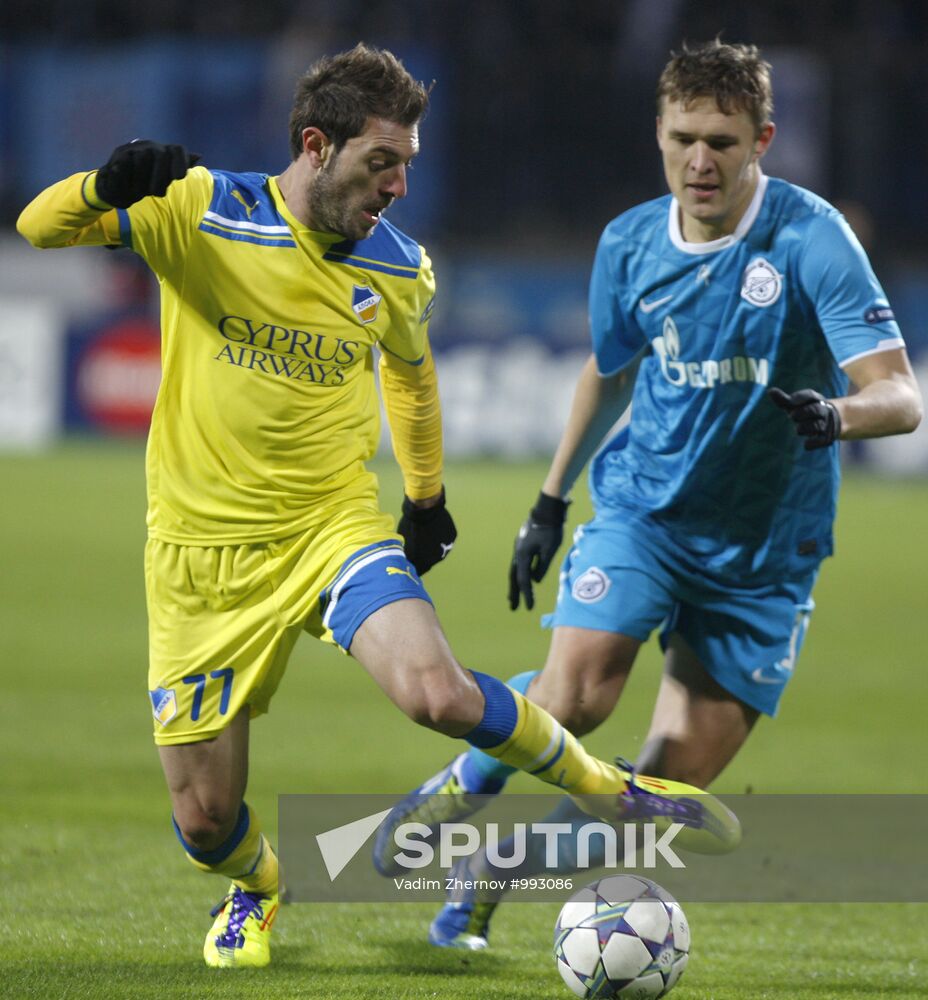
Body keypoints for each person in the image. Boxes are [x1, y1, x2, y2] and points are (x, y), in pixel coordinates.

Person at [16, 43, 737, 971]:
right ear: (316, 146)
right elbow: (40, 227)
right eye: (380, 163)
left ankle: (610, 787)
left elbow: (410, 371)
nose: (398, 185)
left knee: (435, 692)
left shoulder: (396, 265)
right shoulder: (201, 212)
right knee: (204, 821)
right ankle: (261, 885)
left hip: (331, 530)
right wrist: (104, 185)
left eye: (408, 164)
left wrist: (425, 497)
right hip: (197, 560)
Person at [373, 39, 923, 949]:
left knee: (657, 795)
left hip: (765, 554)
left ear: (763, 140)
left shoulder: (812, 238)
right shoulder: (630, 242)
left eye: (723, 141)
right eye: (682, 139)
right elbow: (609, 370)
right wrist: (550, 502)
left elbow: (900, 394)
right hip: (648, 514)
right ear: (658, 133)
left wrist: (836, 414)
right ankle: (461, 787)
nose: (699, 162)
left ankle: (488, 877)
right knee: (576, 699)